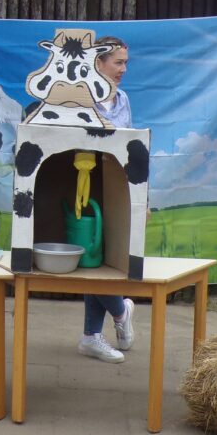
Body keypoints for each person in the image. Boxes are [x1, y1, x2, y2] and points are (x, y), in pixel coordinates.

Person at [77, 35, 136, 363]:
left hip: (118, 190)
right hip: (84, 187)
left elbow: (129, 145)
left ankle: (90, 336)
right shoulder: (79, 99)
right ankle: (120, 309)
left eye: (126, 62)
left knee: (109, 261)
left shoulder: (124, 99)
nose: (123, 69)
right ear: (98, 63)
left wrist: (140, 196)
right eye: (118, 62)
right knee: (91, 259)